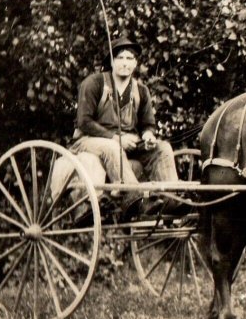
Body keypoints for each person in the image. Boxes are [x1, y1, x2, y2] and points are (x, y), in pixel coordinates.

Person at [71, 32, 179, 222]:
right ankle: (133, 198)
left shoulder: (141, 90)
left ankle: (171, 200)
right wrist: (115, 138)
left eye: (130, 58)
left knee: (163, 149)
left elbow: (148, 124)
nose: (125, 63)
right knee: (113, 147)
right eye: (120, 57)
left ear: (136, 64)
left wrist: (148, 136)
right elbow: (84, 122)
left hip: (128, 145)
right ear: (112, 62)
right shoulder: (94, 83)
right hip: (88, 141)